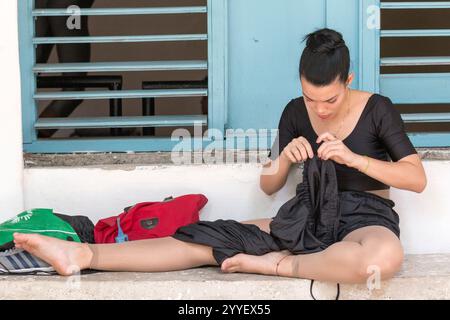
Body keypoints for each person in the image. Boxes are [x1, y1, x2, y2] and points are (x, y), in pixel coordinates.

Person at [12, 28, 427, 285]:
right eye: (309, 97)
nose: (319, 109)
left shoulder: (377, 108)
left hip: (365, 219)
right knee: (203, 239)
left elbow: (416, 178)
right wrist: (284, 159)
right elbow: (269, 185)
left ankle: (276, 265)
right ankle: (82, 255)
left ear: (349, 80)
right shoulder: (294, 113)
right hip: (305, 216)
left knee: (380, 259)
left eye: (330, 99)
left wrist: (356, 160)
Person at [35, 0, 95, 138]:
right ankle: (28, 139)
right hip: (67, 5)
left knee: (22, 82)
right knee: (74, 88)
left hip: (40, 4)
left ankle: (23, 141)